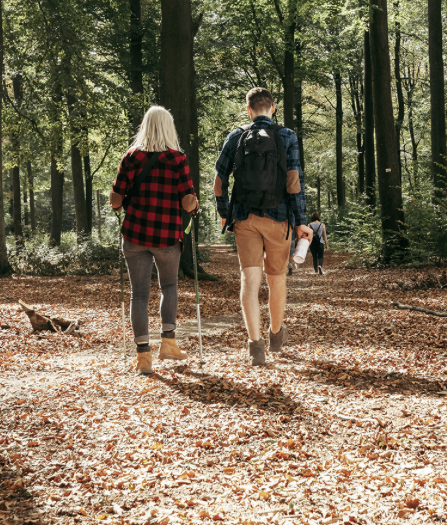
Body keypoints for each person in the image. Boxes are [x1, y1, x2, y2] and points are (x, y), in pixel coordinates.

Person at [214, 88, 312, 366]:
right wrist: (300, 221)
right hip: (278, 217)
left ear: (248, 110)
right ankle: (276, 335)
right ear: (273, 108)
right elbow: (294, 182)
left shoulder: (236, 136)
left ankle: (255, 345)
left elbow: (218, 182)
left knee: (250, 279)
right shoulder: (287, 136)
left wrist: (225, 214)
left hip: (244, 218)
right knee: (277, 278)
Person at [109, 106, 199, 375]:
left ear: (145, 126)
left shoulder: (130, 157)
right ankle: (168, 343)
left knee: (139, 294)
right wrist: (193, 206)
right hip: (167, 236)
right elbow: (187, 202)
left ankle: (143, 357)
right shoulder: (177, 158)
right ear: (169, 127)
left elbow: (115, 202)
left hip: (135, 234)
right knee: (169, 286)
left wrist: (124, 201)